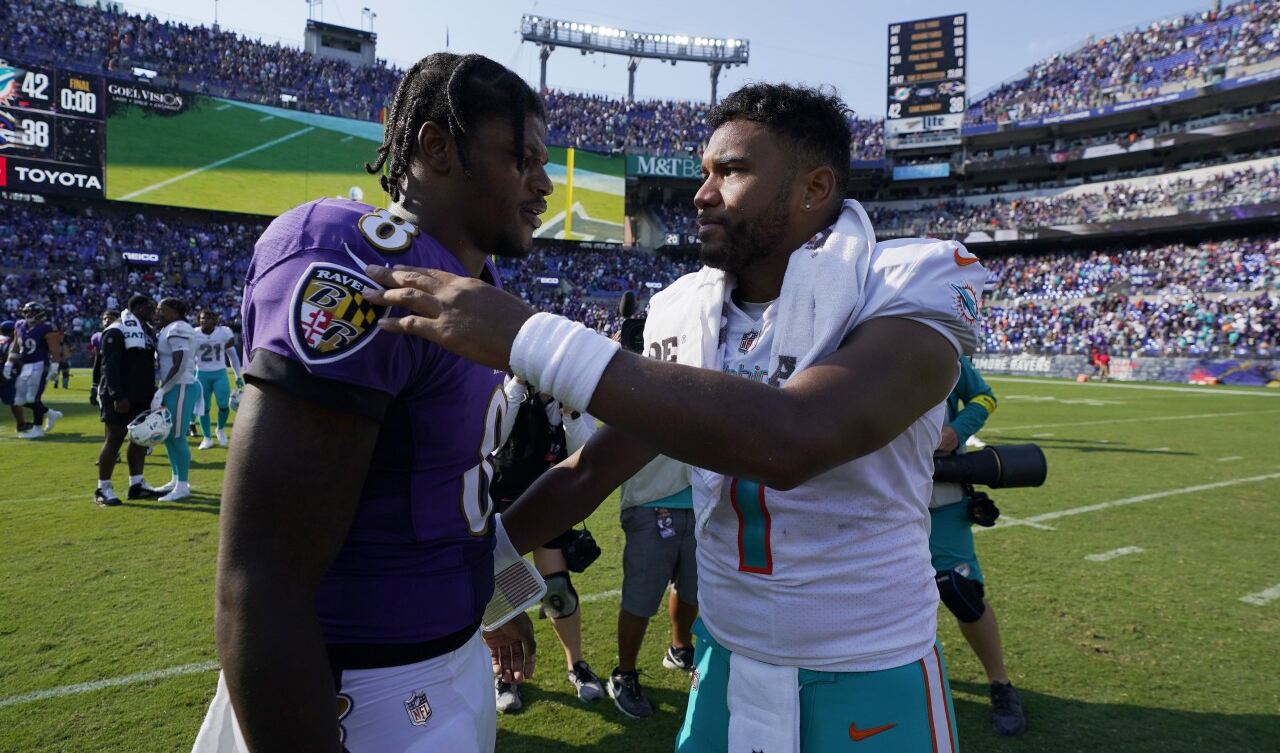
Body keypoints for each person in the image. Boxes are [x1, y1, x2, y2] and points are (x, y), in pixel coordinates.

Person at [367, 82, 986, 751]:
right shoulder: (684, 310)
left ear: (814, 188)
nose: (703, 192)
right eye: (704, 172)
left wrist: (530, 337)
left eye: (733, 170)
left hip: (868, 667)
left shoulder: (906, 283)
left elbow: (796, 437)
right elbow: (591, 470)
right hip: (726, 664)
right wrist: (481, 583)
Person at [194, 52, 552, 752]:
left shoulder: (477, 287)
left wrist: (494, 599)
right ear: (437, 147)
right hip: (356, 691)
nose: (542, 182)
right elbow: (261, 580)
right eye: (520, 156)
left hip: (451, 664)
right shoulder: (364, 262)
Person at [488, 380, 601, 714]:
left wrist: (571, 412)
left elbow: (587, 453)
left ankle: (576, 665)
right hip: (502, 503)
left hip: (547, 504)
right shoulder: (510, 387)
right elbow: (494, 438)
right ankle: (506, 676)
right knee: (501, 593)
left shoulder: (571, 396)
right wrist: (520, 383)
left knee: (557, 590)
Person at [930, 356, 1026, 737]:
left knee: (962, 591)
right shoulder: (854, 339)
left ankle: (1001, 684)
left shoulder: (940, 347)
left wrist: (956, 431)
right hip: (877, 498)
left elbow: (984, 397)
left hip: (943, 497)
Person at [607, 447, 699, 719]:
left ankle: (680, 649)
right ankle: (624, 674)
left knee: (693, 590)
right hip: (650, 502)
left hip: (701, 502)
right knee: (641, 598)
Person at [94, 295, 165, 506]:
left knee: (140, 439)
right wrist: (118, 395)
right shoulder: (117, 329)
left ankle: (137, 485)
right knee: (114, 438)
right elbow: (110, 365)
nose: (154, 312)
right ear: (139, 307)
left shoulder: (147, 331)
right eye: (151, 308)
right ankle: (102, 488)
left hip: (142, 395)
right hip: (120, 395)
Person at [151, 298, 201, 502]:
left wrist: (163, 390)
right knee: (169, 435)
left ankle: (183, 485)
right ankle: (175, 480)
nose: (158, 313)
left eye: (162, 310)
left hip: (180, 386)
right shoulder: (170, 327)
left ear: (175, 311)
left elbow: (179, 365)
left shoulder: (178, 328)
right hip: (175, 387)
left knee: (178, 435)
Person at [5, 301, 64, 439]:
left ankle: (37, 429)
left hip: (40, 365)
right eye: (26, 312)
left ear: (39, 314)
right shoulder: (19, 325)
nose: (28, 315)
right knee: (18, 400)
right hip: (25, 365)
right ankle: (50, 413)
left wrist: (54, 368)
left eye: (31, 313)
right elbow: (15, 346)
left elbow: (55, 351)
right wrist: (9, 363)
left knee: (33, 398)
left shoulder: (46, 329)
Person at [193, 309, 243, 450]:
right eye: (202, 318)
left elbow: (232, 355)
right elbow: (189, 357)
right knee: (204, 408)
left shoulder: (223, 333)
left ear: (215, 320)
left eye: (208, 318)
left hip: (219, 373)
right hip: (202, 374)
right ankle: (207, 437)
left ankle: (220, 429)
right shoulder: (194, 334)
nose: (204, 321)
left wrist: (238, 375)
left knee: (223, 405)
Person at [0, 320, 19, 432]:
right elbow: (12, 357)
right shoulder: (11, 342)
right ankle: (21, 424)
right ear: (13, 331)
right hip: (3, 373)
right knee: (14, 400)